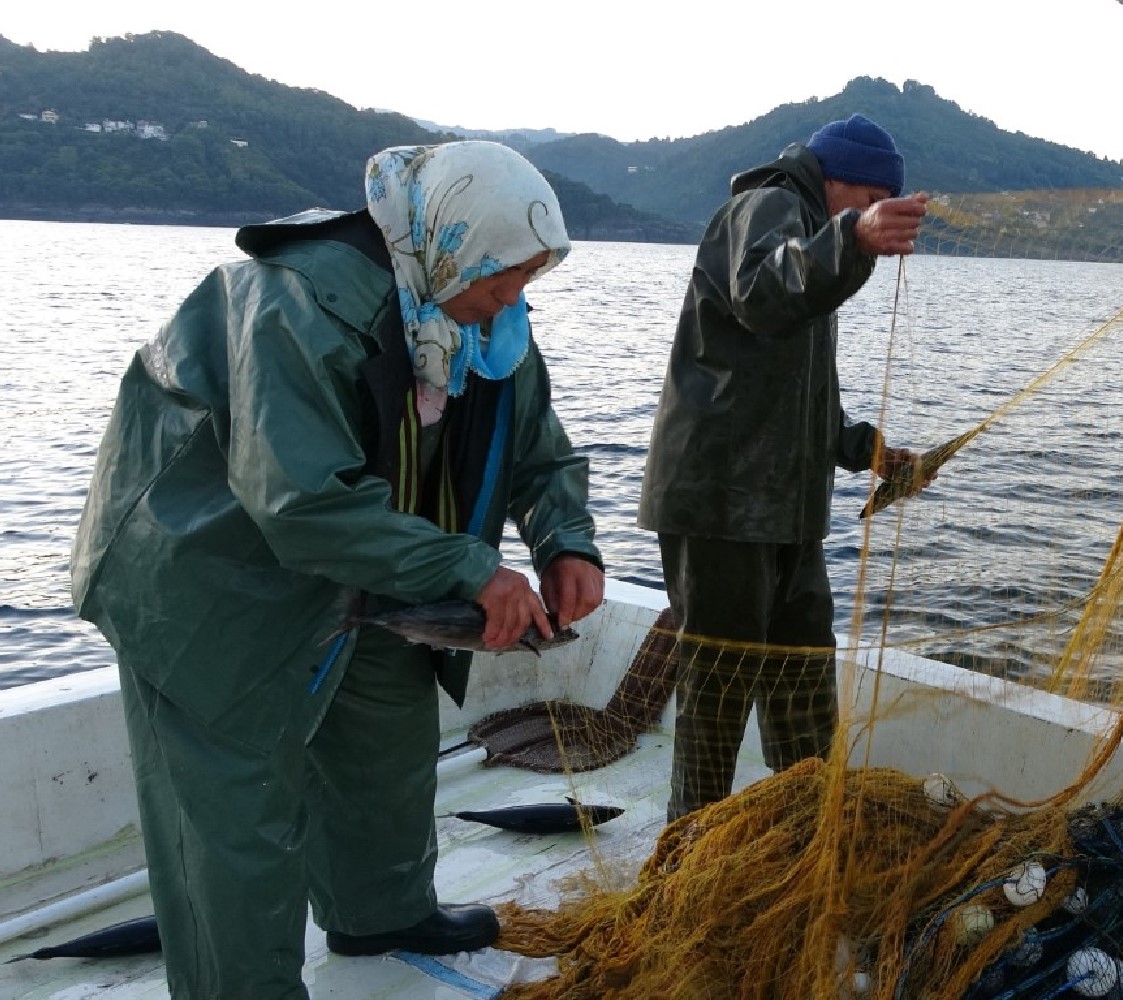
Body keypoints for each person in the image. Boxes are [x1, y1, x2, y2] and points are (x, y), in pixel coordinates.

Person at [70, 140, 606, 999]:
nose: (513, 301)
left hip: (371, 567)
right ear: (451, 244)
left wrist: (565, 541)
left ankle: (380, 910)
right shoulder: (294, 304)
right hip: (208, 578)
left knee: (386, 743)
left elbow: (540, 453)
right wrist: (471, 568)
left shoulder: (482, 317)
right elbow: (300, 501)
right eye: (503, 280)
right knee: (236, 818)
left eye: (527, 282)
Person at [637, 114, 931, 822]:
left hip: (784, 511)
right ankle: (690, 851)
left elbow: (795, 393)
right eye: (865, 202)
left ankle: (806, 828)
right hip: (720, 507)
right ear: (836, 183)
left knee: (802, 678)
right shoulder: (767, 205)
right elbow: (764, 295)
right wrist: (853, 239)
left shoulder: (815, 239)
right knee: (719, 689)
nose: (869, 220)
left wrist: (863, 447)